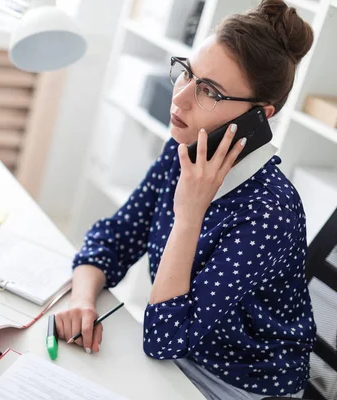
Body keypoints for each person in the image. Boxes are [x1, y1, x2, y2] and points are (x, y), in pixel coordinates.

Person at [55, 1, 317, 398]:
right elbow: (113, 238)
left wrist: (189, 213)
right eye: (188, 74)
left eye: (209, 91)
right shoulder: (186, 149)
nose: (180, 99)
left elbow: (162, 336)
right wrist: (81, 300)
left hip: (238, 386)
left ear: (259, 116)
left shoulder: (270, 212)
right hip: (173, 360)